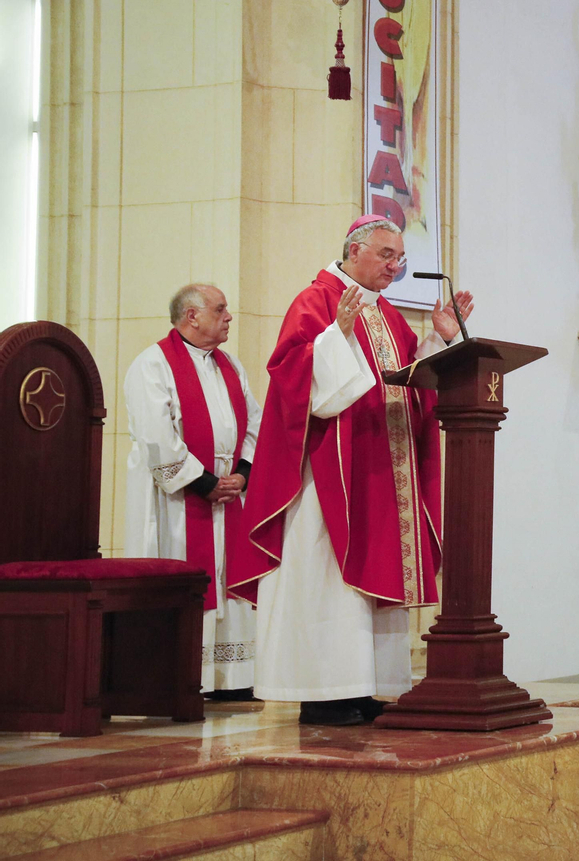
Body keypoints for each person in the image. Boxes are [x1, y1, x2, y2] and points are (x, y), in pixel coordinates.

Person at [231, 216, 472, 726]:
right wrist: (335, 337)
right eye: (386, 255)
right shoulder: (316, 300)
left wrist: (440, 339)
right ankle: (324, 691)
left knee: (373, 577)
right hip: (329, 476)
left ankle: (365, 686)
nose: (395, 266)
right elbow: (293, 378)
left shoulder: (387, 314)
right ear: (354, 250)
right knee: (327, 576)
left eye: (400, 257)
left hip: (381, 471)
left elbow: (411, 378)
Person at [124, 284, 263, 699]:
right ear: (192, 316)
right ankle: (183, 674)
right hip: (176, 498)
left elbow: (254, 424)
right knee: (188, 576)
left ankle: (231, 678)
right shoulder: (152, 364)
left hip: (227, 494)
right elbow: (155, 436)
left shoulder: (230, 365)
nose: (229, 317)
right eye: (220, 310)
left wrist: (242, 473)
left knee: (229, 578)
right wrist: (203, 483)